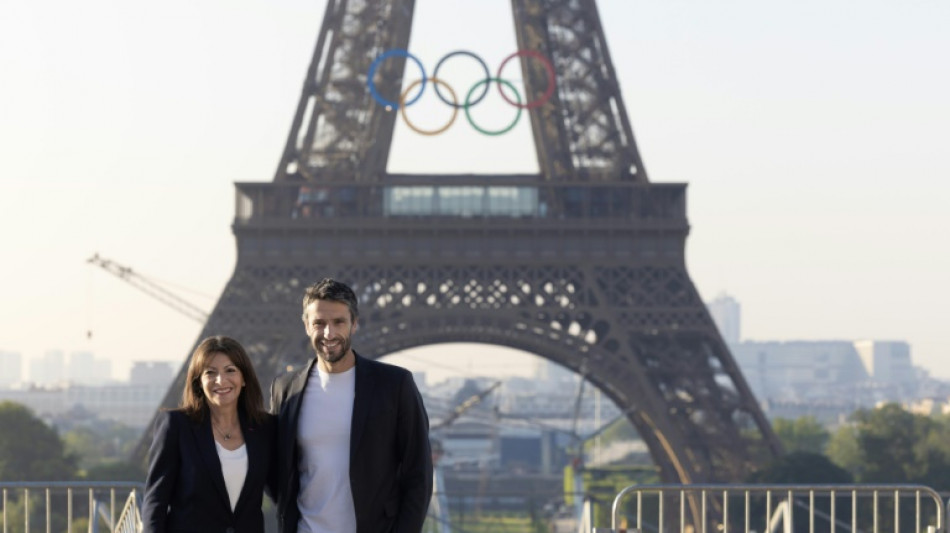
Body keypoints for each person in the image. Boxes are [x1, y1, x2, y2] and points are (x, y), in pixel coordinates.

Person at [271, 278, 433, 533]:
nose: (329, 333)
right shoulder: (285, 388)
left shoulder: (395, 385)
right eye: (319, 323)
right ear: (306, 326)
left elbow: (418, 474)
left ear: (354, 324)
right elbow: (276, 470)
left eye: (338, 322)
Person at [142, 336, 277, 533]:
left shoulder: (265, 428)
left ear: (244, 378)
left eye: (230, 370)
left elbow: (282, 491)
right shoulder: (177, 426)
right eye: (210, 373)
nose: (221, 381)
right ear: (199, 382)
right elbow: (156, 500)